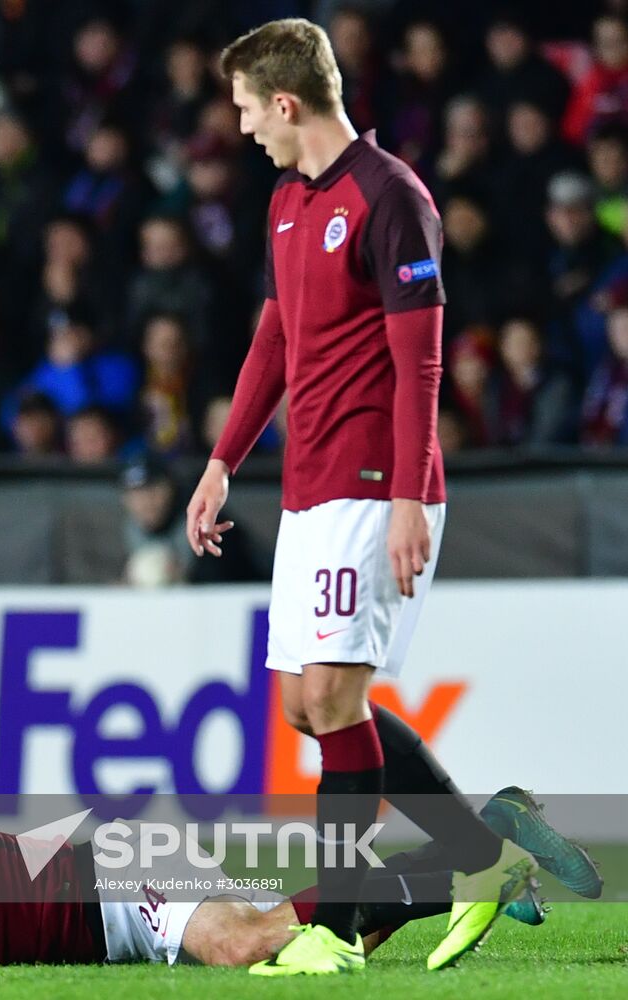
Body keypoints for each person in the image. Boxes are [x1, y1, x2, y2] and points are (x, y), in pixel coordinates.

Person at [184, 20, 544, 976]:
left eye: (248, 109)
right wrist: (224, 459)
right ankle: (480, 854)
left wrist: (411, 498)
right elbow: (275, 340)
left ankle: (334, 934)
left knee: (336, 697)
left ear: (288, 102)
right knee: (306, 708)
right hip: (309, 487)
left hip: (374, 485)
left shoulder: (393, 198)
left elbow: (420, 359)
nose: (244, 126)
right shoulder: (287, 201)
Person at [0, 743, 590, 969]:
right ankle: (486, 861)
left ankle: (478, 845)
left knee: (243, 942)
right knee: (302, 944)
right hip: (103, 925)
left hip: (112, 885)